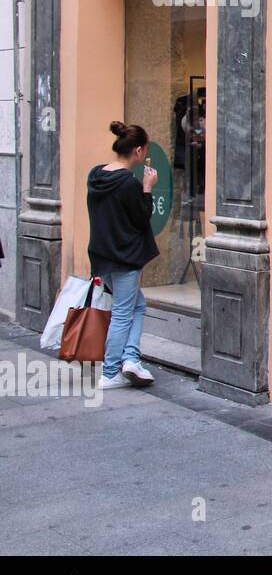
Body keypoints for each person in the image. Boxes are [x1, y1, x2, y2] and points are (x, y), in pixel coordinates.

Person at [87, 121, 160, 389]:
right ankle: (110, 372)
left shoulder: (95, 175)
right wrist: (148, 187)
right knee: (122, 313)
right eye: (145, 150)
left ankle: (131, 359)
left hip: (102, 257)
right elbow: (141, 219)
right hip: (125, 258)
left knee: (136, 306)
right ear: (138, 151)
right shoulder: (127, 183)